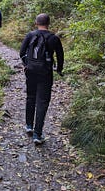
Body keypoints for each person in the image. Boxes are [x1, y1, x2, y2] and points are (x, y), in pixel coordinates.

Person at [19, 13, 64, 145]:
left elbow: (22, 52)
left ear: (36, 23)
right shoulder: (54, 38)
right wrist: (59, 69)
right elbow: (60, 57)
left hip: (31, 71)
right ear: (49, 23)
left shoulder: (30, 35)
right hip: (45, 73)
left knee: (30, 97)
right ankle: (38, 134)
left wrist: (26, 65)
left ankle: (28, 126)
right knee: (42, 102)